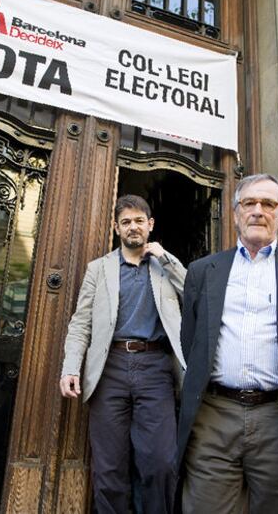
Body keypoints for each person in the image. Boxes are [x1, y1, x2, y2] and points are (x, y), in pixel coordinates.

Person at [178, 173, 278, 514]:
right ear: (235, 213)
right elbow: (191, 339)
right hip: (215, 416)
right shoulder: (204, 271)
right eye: (249, 203)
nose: (258, 211)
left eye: (269, 204)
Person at [60, 194, 186, 514]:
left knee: (160, 462)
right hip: (110, 369)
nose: (133, 227)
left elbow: (195, 292)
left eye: (139, 221)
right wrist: (71, 367)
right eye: (126, 222)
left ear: (150, 225)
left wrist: (167, 257)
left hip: (155, 367)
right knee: (109, 469)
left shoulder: (164, 265)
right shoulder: (98, 269)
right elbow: (80, 324)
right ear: (116, 228)